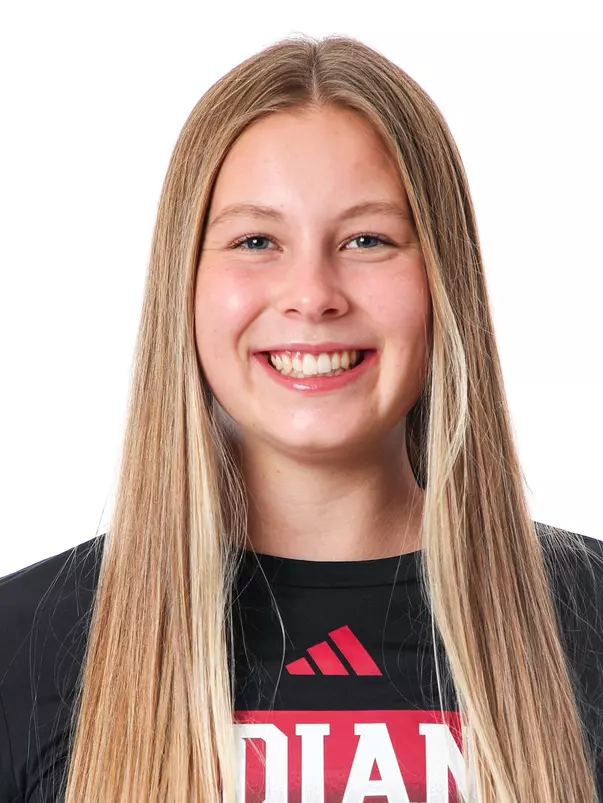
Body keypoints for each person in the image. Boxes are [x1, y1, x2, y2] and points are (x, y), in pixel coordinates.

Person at [1, 33, 602, 803]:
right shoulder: (22, 650)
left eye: (367, 239)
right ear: (184, 284)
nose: (312, 293)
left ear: (443, 279)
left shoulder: (582, 627)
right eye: (256, 240)